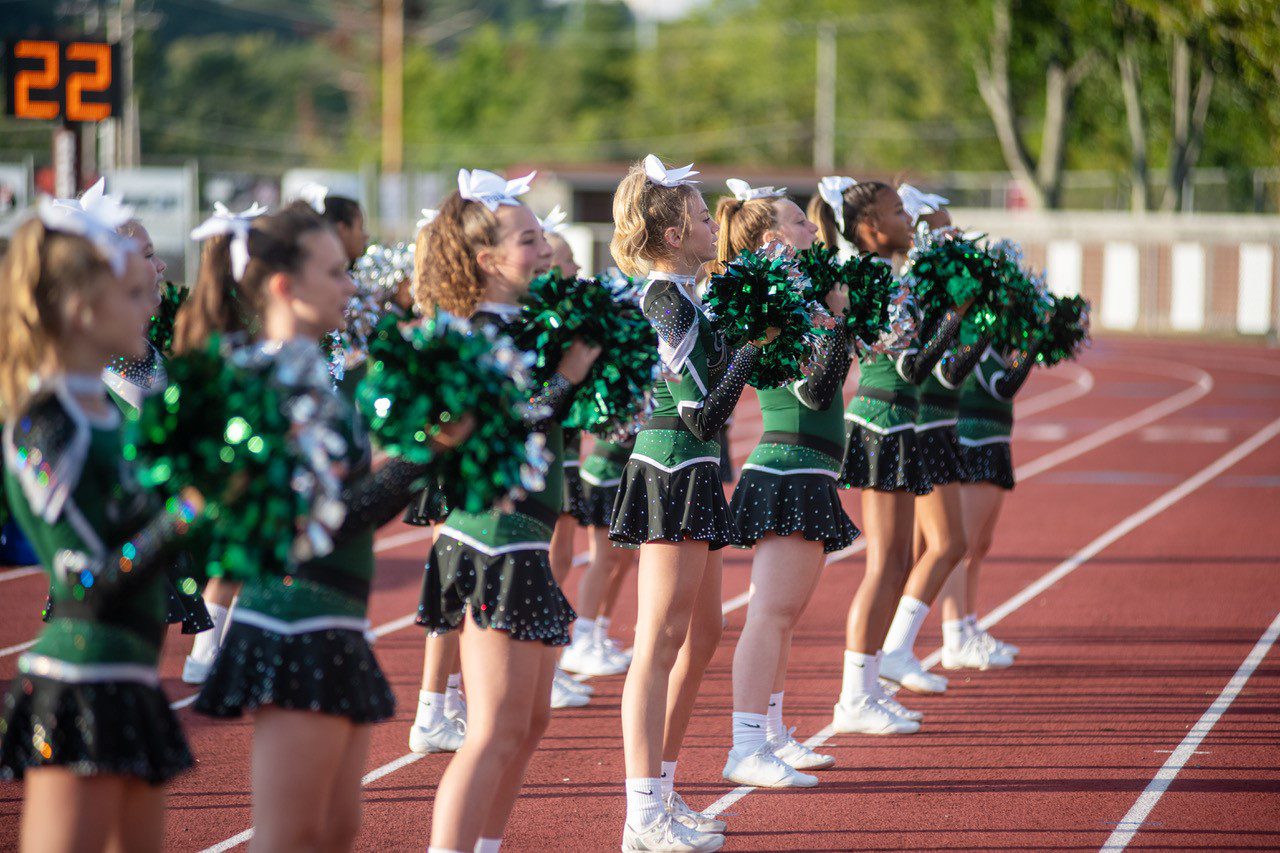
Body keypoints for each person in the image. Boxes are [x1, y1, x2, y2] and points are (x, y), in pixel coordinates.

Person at [0, 195, 206, 852]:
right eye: (130, 293)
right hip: (80, 681)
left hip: (133, 675)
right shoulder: (47, 423)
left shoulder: (109, 414)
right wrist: (192, 508)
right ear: (82, 309)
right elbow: (86, 578)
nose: (149, 304)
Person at [414, 168, 600, 853]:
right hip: (491, 536)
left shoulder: (527, 323)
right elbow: (505, 424)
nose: (544, 247)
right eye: (528, 239)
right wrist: (568, 378)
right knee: (493, 727)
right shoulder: (477, 332)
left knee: (529, 723)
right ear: (488, 259)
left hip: (526, 533)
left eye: (542, 234)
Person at [609, 155, 776, 852]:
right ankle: (641, 813)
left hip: (697, 468)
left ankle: (666, 788)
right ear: (675, 234)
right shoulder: (663, 300)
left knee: (703, 634)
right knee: (659, 640)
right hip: (672, 467)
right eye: (704, 218)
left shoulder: (691, 294)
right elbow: (703, 415)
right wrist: (752, 349)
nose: (715, 227)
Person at [714, 179, 859, 789]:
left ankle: (770, 734)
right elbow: (818, 390)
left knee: (785, 616)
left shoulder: (799, 300)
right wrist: (841, 318)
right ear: (774, 237)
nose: (813, 228)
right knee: (770, 614)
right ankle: (746, 745)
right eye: (801, 221)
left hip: (808, 468)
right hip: (787, 469)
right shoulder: (776, 310)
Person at [808, 177, 967, 734]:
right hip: (882, 422)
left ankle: (871, 683)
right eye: (898, 212)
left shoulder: (888, 275)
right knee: (884, 566)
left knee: (898, 563)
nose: (908, 221)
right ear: (871, 228)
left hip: (899, 421)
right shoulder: (872, 279)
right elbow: (910, 367)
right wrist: (954, 316)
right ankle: (853, 695)